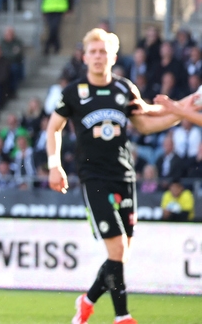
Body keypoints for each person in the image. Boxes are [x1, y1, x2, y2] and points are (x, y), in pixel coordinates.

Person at [46, 28, 181, 324]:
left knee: (121, 254)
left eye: (103, 52)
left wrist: (180, 113)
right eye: (93, 52)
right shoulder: (74, 92)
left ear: (113, 57)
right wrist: (54, 164)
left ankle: (88, 300)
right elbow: (53, 128)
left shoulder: (124, 89)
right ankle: (123, 316)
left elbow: (144, 124)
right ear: (84, 56)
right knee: (117, 247)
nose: (97, 57)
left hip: (125, 175)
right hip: (93, 177)